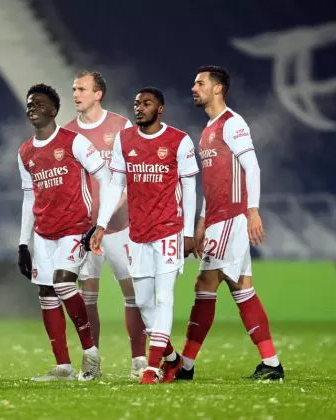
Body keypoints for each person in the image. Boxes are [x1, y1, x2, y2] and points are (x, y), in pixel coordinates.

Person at [174, 66, 284, 381]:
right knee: (241, 288)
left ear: (218, 88)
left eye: (200, 83)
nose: (194, 87)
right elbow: (214, 183)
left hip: (231, 218)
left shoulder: (232, 124)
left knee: (207, 284)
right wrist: (202, 221)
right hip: (219, 219)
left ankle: (187, 365)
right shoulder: (209, 128)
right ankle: (271, 364)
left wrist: (252, 211)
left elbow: (253, 167)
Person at [90, 87, 199, 384]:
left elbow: (189, 189)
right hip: (137, 234)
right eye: (136, 103)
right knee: (143, 302)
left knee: (163, 298)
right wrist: (101, 224)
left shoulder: (179, 140)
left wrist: (188, 232)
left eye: (146, 103)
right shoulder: (125, 140)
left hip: (168, 231)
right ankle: (173, 359)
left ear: (160, 109)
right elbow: (115, 185)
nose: (139, 108)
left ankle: (152, 366)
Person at [17, 83, 109, 381]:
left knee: (63, 283)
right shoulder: (25, 152)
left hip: (75, 228)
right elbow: (29, 197)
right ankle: (64, 367)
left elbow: (106, 178)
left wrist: (98, 223)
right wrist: (23, 243)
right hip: (43, 234)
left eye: (39, 103)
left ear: (54, 110)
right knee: (46, 292)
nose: (33, 107)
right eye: (29, 103)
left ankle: (91, 355)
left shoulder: (75, 142)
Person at [63, 70, 147, 377]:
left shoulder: (120, 126)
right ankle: (92, 364)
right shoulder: (68, 133)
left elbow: (132, 173)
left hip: (119, 226)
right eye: (74, 89)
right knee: (88, 297)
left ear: (98, 94)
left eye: (82, 89)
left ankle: (139, 362)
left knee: (133, 294)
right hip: (85, 230)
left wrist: (114, 206)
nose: (76, 95)